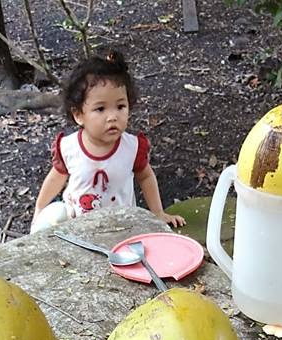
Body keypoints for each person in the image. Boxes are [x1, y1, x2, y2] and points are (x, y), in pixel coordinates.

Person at [31, 50, 186, 233]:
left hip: (121, 228)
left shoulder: (131, 148)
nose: (112, 117)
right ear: (79, 115)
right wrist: (40, 210)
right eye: (100, 109)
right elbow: (56, 178)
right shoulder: (69, 148)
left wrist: (158, 213)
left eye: (120, 106)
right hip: (78, 229)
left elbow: (145, 176)